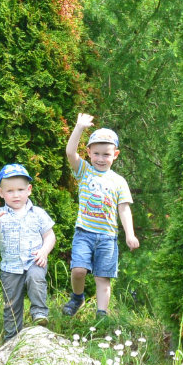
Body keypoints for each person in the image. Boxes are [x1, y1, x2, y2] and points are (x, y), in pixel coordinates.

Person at [61, 113, 139, 319]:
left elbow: (124, 209)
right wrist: (79, 128)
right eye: (96, 153)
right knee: (78, 270)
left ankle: (101, 315)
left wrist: (129, 235)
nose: (101, 159)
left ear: (116, 154)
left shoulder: (119, 181)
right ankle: (77, 298)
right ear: (88, 152)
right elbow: (70, 152)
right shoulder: (84, 171)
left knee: (102, 278)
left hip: (107, 238)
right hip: (84, 233)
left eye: (106, 154)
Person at [0, 163, 56, 340]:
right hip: (10, 269)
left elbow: (50, 236)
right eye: (10, 191)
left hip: (35, 262)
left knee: (35, 278)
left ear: (29, 190)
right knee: (11, 305)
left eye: (20, 190)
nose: (15, 195)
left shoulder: (38, 213)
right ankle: (12, 339)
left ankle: (39, 313)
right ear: (1, 193)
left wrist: (44, 252)